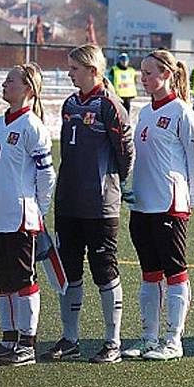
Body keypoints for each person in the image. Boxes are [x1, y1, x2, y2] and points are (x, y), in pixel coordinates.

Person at [41, 44, 134, 364]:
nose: (69, 74)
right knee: (69, 270)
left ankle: (113, 342)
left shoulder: (110, 105)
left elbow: (126, 152)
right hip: (68, 202)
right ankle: (70, 338)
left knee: (104, 270)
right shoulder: (69, 104)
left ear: (93, 71)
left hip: (100, 204)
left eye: (74, 69)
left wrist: (115, 185)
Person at [121, 49, 194, 361]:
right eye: (141, 73)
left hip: (169, 205)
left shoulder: (183, 113)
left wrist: (190, 198)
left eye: (149, 73)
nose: (143, 79)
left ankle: (173, 340)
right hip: (142, 205)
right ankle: (148, 338)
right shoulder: (144, 112)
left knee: (175, 272)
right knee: (149, 273)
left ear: (167, 74)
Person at [0, 63, 55, 366]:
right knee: (3, 280)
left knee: (24, 280)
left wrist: (39, 210)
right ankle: (8, 339)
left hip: (21, 217)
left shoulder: (33, 127)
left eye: (10, 81)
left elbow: (47, 177)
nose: (4, 84)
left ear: (28, 89)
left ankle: (27, 343)